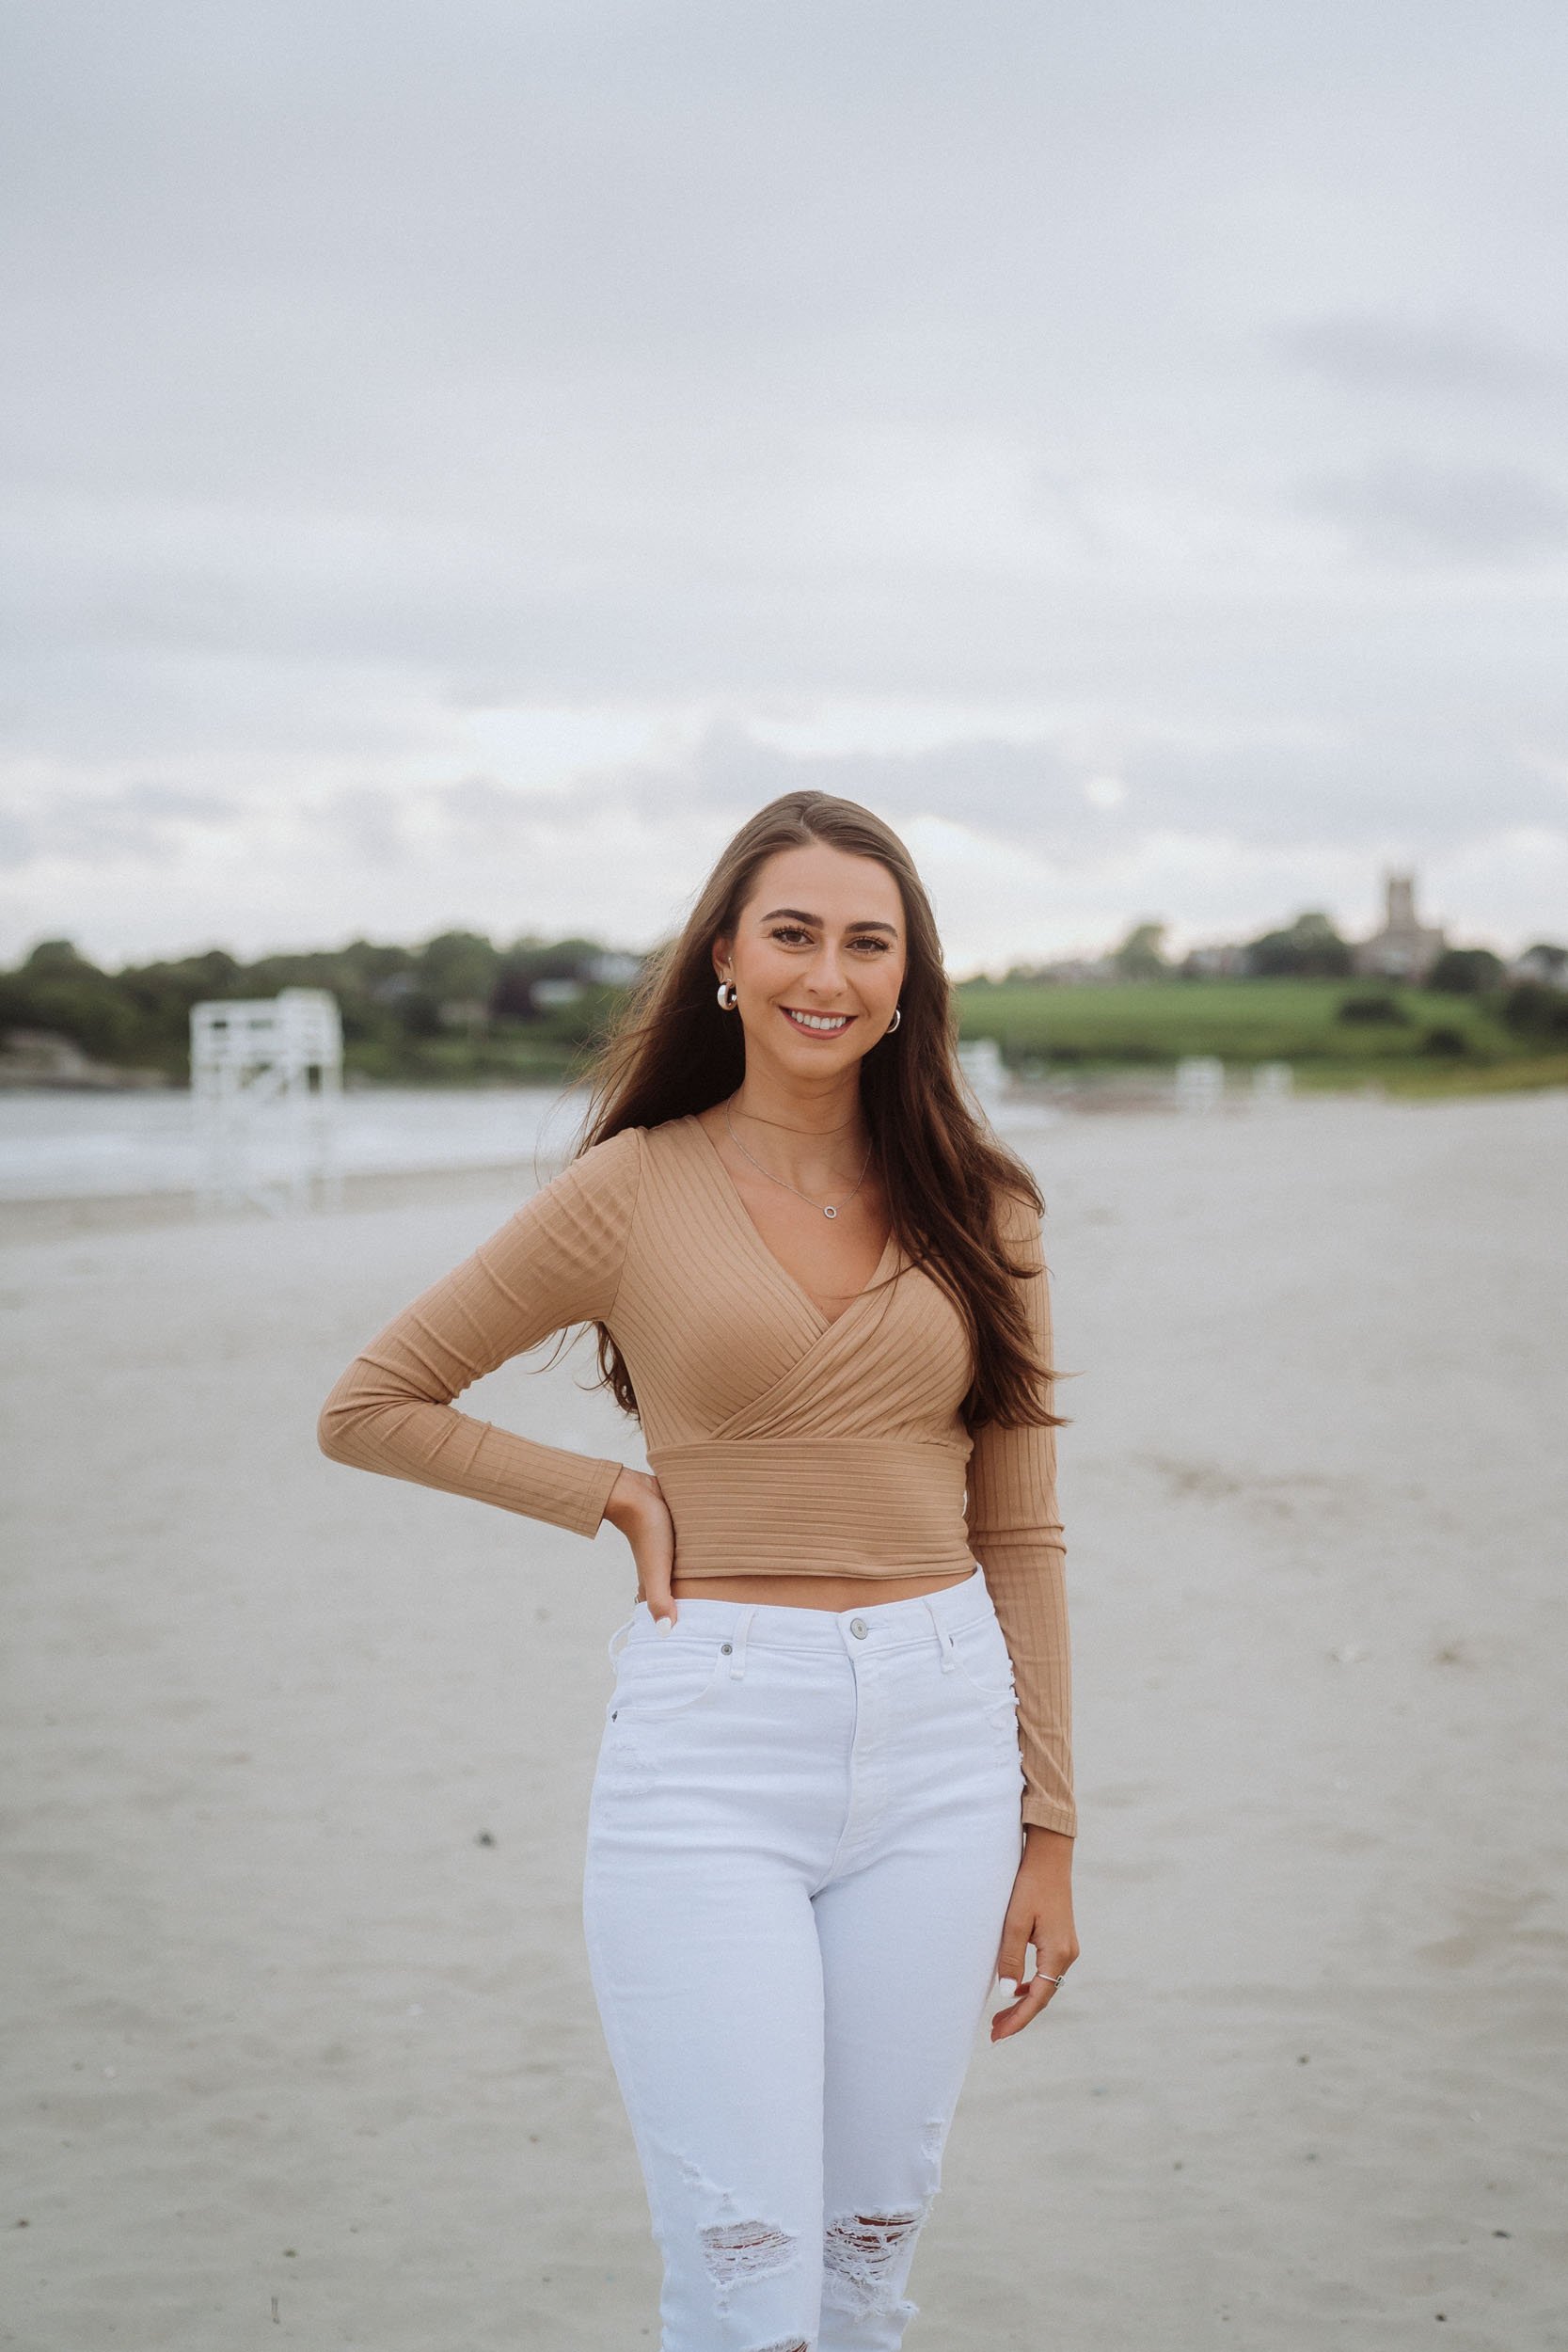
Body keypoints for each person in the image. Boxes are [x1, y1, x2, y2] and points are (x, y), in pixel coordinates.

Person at [317, 788, 1079, 2350]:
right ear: (725, 955)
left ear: (909, 979)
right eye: (792, 932)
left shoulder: (982, 1203)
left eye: (871, 943)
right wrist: (605, 1492)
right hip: (714, 1749)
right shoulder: (631, 1188)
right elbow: (371, 1406)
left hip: (946, 1745)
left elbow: (1019, 1525)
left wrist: (1050, 1828)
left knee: (865, 2272)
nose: (830, 972)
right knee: (744, 2283)